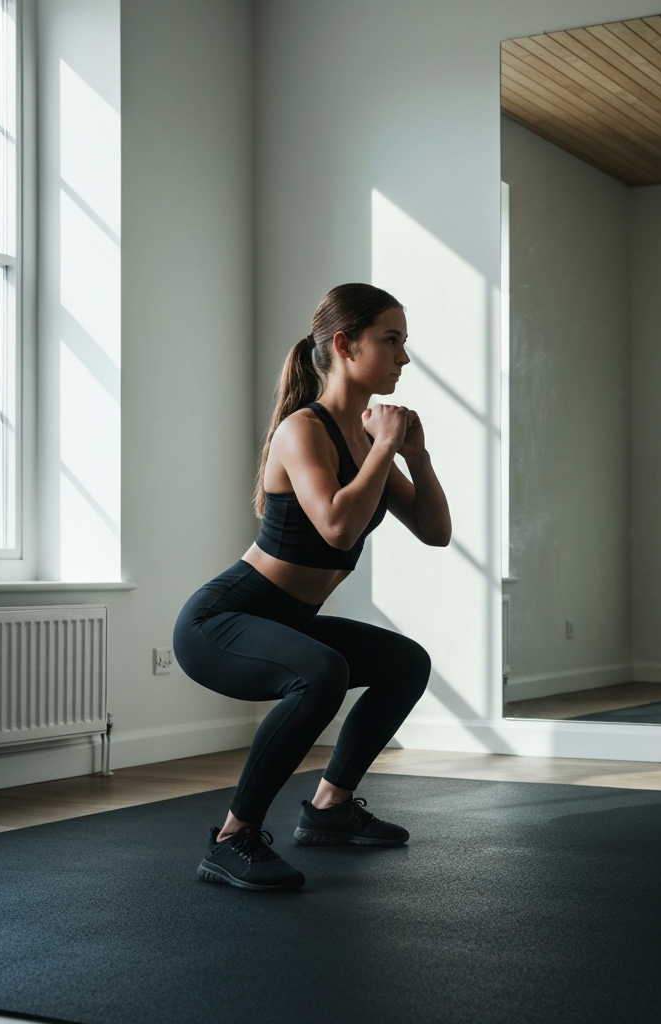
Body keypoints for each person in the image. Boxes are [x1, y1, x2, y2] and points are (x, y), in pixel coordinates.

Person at [173, 284, 451, 892]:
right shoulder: (304, 430)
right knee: (320, 672)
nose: (404, 357)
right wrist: (384, 447)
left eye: (405, 342)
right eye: (392, 340)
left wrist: (417, 455)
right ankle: (230, 838)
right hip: (221, 622)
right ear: (346, 346)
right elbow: (336, 526)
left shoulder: (363, 442)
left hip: (287, 622)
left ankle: (329, 808)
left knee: (406, 663)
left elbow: (435, 531)